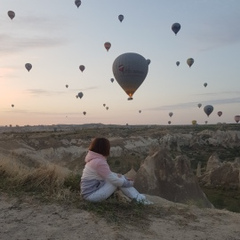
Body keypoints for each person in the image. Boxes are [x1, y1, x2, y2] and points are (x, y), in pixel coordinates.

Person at [80, 137, 152, 204]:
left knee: (119, 178)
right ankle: (140, 199)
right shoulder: (99, 162)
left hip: (89, 193)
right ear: (105, 148)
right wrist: (129, 183)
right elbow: (114, 180)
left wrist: (124, 178)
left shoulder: (93, 159)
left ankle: (138, 197)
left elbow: (109, 174)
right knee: (117, 181)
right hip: (91, 197)